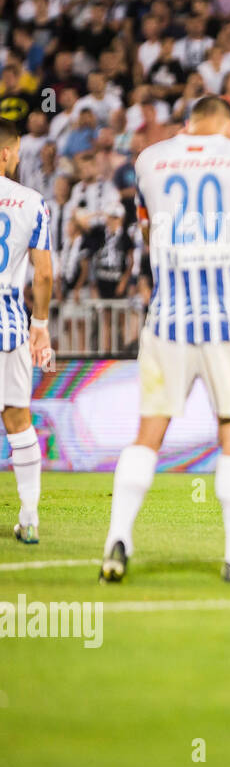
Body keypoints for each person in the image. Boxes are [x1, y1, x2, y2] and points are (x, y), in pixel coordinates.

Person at [101, 96, 230, 584]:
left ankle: (117, 540)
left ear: (188, 123)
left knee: (148, 433)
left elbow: (144, 228)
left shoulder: (149, 159)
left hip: (167, 318)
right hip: (227, 319)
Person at [0, 118, 54, 545]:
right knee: (18, 420)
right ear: (5, 153)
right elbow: (45, 273)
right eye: (17, 152)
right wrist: (40, 326)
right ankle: (29, 517)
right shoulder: (32, 202)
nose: (18, 159)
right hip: (9, 324)